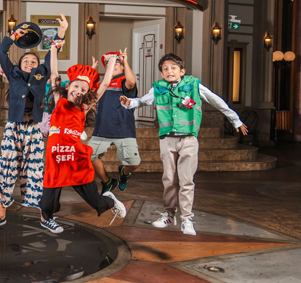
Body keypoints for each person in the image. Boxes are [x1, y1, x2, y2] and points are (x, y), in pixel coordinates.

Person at [120, 53, 248, 235]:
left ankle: (186, 219)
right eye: (165, 69)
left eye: (173, 68)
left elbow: (216, 101)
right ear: (161, 74)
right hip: (167, 139)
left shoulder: (194, 85)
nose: (169, 71)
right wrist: (130, 102)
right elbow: (142, 101)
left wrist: (235, 120)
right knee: (168, 179)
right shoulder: (158, 88)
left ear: (182, 71)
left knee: (186, 180)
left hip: (188, 139)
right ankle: (168, 215)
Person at [0, 14, 64, 231]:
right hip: (13, 129)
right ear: (19, 64)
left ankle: (45, 218)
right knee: (7, 169)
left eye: (33, 61)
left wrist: (62, 31)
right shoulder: (13, 73)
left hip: (34, 129)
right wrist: (13, 36)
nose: (30, 63)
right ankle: (0, 215)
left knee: (36, 171)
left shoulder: (42, 74)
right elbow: (1, 53)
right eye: (26, 61)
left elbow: (52, 54)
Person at [39, 40, 126, 234]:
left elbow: (105, 83)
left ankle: (110, 201)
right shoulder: (59, 101)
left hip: (75, 158)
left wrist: (113, 60)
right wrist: (53, 48)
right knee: (47, 200)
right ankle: (47, 219)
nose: (78, 91)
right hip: (56, 158)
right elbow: (54, 74)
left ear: (87, 94)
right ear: (68, 85)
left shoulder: (84, 107)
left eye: (83, 90)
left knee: (94, 200)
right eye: (76, 86)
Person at [88, 48, 140, 194]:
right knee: (88, 156)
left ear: (122, 66)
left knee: (134, 163)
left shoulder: (125, 80)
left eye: (116, 62)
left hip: (124, 130)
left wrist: (125, 61)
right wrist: (90, 72)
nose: (112, 64)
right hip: (101, 130)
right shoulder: (101, 83)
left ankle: (124, 172)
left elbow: (131, 82)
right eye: (108, 63)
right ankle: (107, 181)